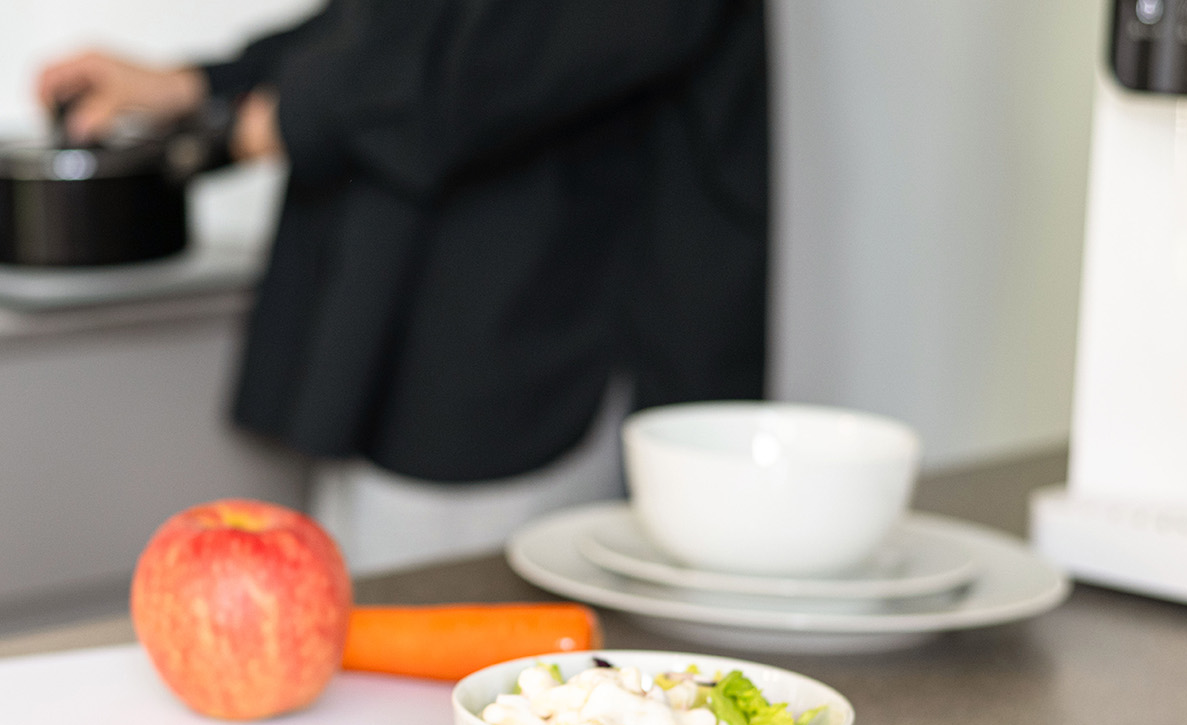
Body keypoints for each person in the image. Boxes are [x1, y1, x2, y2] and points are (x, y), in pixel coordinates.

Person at [40, 2, 767, 568]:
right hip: (401, 340)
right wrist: (203, 85)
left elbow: (506, 50)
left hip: (525, 350)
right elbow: (401, 19)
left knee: (487, 695)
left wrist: (279, 116)